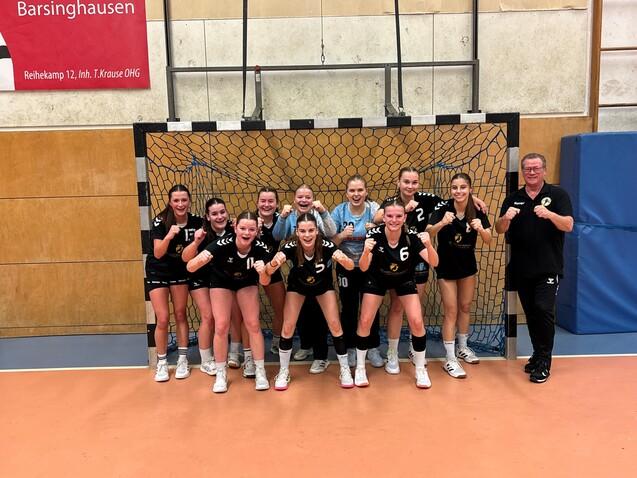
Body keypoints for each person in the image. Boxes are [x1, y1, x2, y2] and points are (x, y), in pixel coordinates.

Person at [374, 167, 486, 371]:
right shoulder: (392, 202)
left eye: (414, 182)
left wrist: (473, 197)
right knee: (397, 306)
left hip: (419, 258)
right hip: (396, 260)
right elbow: (376, 218)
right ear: (398, 183)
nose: (410, 186)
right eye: (406, 182)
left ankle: (413, 348)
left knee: (416, 305)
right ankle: (392, 353)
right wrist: (404, 209)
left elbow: (454, 199)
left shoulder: (426, 199)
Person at [495, 153, 573, 383]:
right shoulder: (514, 198)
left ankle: (544, 361)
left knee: (543, 309)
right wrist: (506, 218)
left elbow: (568, 225)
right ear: (523, 172)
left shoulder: (557, 195)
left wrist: (549, 214)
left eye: (536, 168)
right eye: (527, 169)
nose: (531, 172)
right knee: (531, 313)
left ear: (544, 170)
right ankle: (537, 354)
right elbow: (499, 228)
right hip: (521, 268)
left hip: (548, 267)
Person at [265, 213, 355, 390]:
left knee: (335, 325)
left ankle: (344, 369)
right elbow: (268, 270)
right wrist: (274, 263)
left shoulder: (326, 245)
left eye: (311, 230)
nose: (307, 235)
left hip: (323, 286)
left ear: (317, 231)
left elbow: (351, 265)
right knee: (288, 326)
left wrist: (345, 260)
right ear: (297, 232)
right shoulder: (290, 246)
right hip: (298, 287)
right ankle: (283, 371)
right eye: (303, 231)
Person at [356, 199, 439, 388]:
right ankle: (360, 368)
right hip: (377, 278)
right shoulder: (374, 235)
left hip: (403, 279)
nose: (394, 220)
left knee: (416, 321)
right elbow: (363, 267)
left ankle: (420, 369)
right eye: (390, 216)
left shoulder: (412, 236)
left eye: (398, 216)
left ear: (404, 217)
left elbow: (434, 262)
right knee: (365, 320)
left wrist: (429, 245)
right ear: (384, 217)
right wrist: (366, 252)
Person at [187, 211, 272, 393]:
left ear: (257, 231)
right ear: (235, 228)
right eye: (243, 228)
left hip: (246, 282)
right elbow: (190, 266)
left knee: (253, 324)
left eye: (251, 229)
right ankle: (221, 373)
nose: (247, 233)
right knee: (221, 325)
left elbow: (265, 282)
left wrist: (263, 271)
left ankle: (260, 370)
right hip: (222, 281)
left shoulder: (261, 248)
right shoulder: (222, 244)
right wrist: (200, 260)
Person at [426, 173, 492, 378]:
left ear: (470, 189)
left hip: (467, 266)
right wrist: (441, 223)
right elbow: (428, 233)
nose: (458, 191)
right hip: (446, 266)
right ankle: (450, 358)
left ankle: (462, 347)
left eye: (463, 187)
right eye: (455, 187)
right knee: (451, 310)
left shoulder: (477, 209)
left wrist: (481, 229)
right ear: (451, 189)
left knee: (465, 306)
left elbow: (489, 239)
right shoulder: (443, 207)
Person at [273, 184, 337, 373]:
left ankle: (321, 356)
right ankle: (306, 345)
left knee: (319, 314)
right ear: (294, 200)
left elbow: (332, 233)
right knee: (300, 312)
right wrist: (282, 216)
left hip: (320, 272)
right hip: (299, 272)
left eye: (307, 197)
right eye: (300, 197)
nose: (303, 200)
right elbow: (277, 235)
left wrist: (323, 212)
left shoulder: (318, 215)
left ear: (313, 199)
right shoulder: (289, 216)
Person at [146, 184, 200, 382]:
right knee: (162, 318)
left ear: (189, 201)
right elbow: (158, 252)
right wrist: (169, 235)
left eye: (184, 200)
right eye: (176, 200)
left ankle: (182, 359)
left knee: (180, 314)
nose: (180, 204)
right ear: (170, 202)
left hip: (179, 271)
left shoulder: (196, 221)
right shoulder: (160, 221)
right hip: (158, 270)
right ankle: (161, 362)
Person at [331, 174, 383, 368]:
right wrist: (342, 235)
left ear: (366, 192)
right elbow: (330, 243)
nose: (356, 194)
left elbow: (389, 229)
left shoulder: (374, 210)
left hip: (370, 266)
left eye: (360, 190)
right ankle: (351, 347)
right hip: (347, 267)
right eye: (352, 190)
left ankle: (372, 347)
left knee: (371, 308)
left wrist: (375, 227)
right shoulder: (339, 211)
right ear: (346, 193)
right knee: (349, 308)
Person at [180, 198, 233, 377]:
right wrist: (196, 242)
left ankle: (232, 353)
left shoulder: (233, 230)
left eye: (222, 212)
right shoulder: (202, 233)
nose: (219, 216)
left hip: (222, 280)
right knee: (208, 316)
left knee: (225, 317)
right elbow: (185, 258)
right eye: (214, 214)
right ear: (208, 217)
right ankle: (206, 360)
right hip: (200, 279)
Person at [255, 187, 286, 355]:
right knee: (248, 312)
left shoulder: (282, 220)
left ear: (277, 204)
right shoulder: (249, 220)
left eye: (270, 201)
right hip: (249, 270)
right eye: (263, 201)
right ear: (257, 203)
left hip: (272, 268)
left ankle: (277, 341)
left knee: (282, 308)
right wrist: (255, 232)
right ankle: (243, 349)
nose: (266, 205)